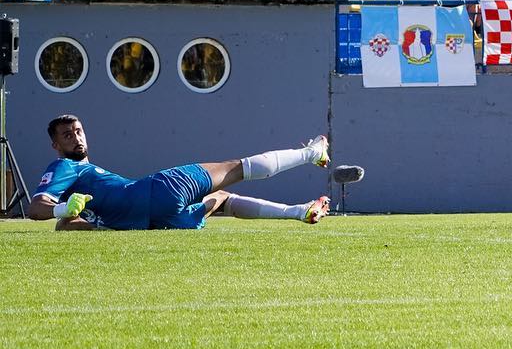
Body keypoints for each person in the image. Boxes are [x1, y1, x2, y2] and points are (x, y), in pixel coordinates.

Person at [30, 114, 330, 229]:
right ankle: (312, 153)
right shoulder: (64, 166)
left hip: (156, 221)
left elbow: (66, 226)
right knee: (237, 168)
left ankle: (299, 212)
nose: (76, 138)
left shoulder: (82, 182)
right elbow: (36, 207)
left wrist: (68, 214)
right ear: (55, 145)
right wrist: (62, 209)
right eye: (67, 135)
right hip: (158, 189)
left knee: (223, 199)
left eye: (79, 131)